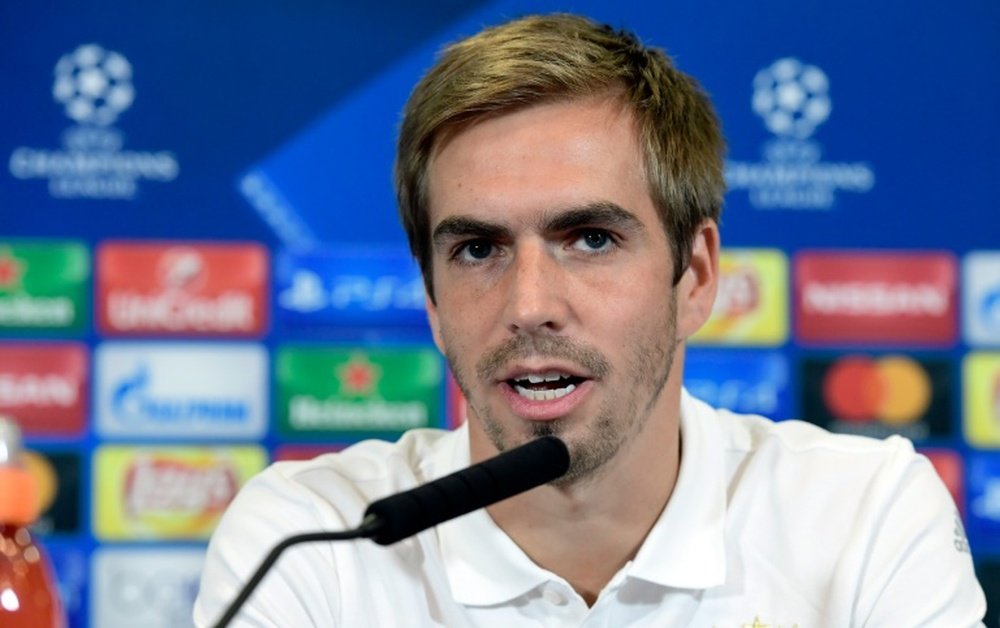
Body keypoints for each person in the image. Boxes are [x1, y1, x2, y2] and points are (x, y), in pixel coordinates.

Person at [194, 13, 986, 626]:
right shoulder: (316, 536)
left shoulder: (862, 515)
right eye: (477, 249)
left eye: (591, 239)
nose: (530, 305)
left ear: (696, 277)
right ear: (432, 304)